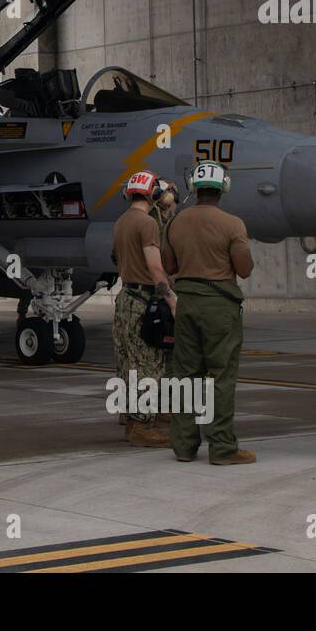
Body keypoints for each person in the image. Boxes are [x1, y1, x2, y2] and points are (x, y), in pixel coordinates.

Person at [161, 160, 255, 464]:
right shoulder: (233, 224)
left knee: (186, 376)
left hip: (187, 305)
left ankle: (185, 447)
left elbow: (170, 266)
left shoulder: (176, 222)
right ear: (223, 187)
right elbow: (244, 269)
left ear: (194, 187)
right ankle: (223, 448)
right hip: (220, 305)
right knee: (221, 377)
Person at [111, 169, 175, 447]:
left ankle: (130, 420)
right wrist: (171, 299)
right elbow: (155, 267)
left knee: (127, 363)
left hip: (125, 298)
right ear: (153, 194)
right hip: (143, 299)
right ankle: (143, 426)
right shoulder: (147, 224)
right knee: (147, 365)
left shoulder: (122, 221)